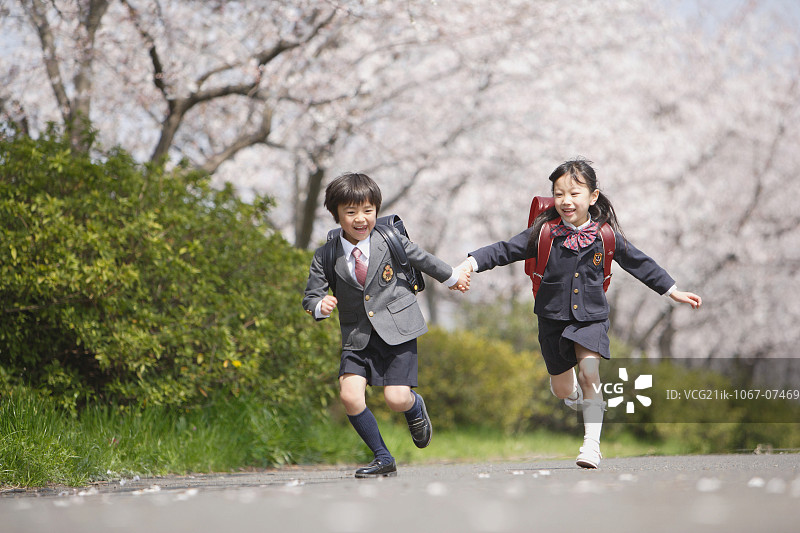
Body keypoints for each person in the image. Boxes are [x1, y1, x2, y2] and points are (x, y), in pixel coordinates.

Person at [457, 159, 701, 468]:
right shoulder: (543, 232)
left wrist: (672, 290)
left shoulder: (606, 235)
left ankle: (591, 445)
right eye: (559, 194)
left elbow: (640, 262)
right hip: (551, 319)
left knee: (590, 374)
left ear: (593, 196)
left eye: (574, 193)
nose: (566, 201)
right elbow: (505, 249)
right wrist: (470, 263)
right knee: (562, 389)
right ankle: (569, 390)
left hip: (591, 317)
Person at [303, 172, 470, 478]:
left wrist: (452, 277)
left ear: (376, 210)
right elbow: (311, 294)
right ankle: (383, 457)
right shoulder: (326, 255)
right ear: (336, 214)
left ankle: (414, 406)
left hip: (398, 330)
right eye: (351, 212)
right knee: (349, 396)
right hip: (357, 336)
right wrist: (319, 306)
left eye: (367, 210)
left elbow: (423, 259)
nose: (360, 219)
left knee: (396, 399)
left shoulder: (389, 239)